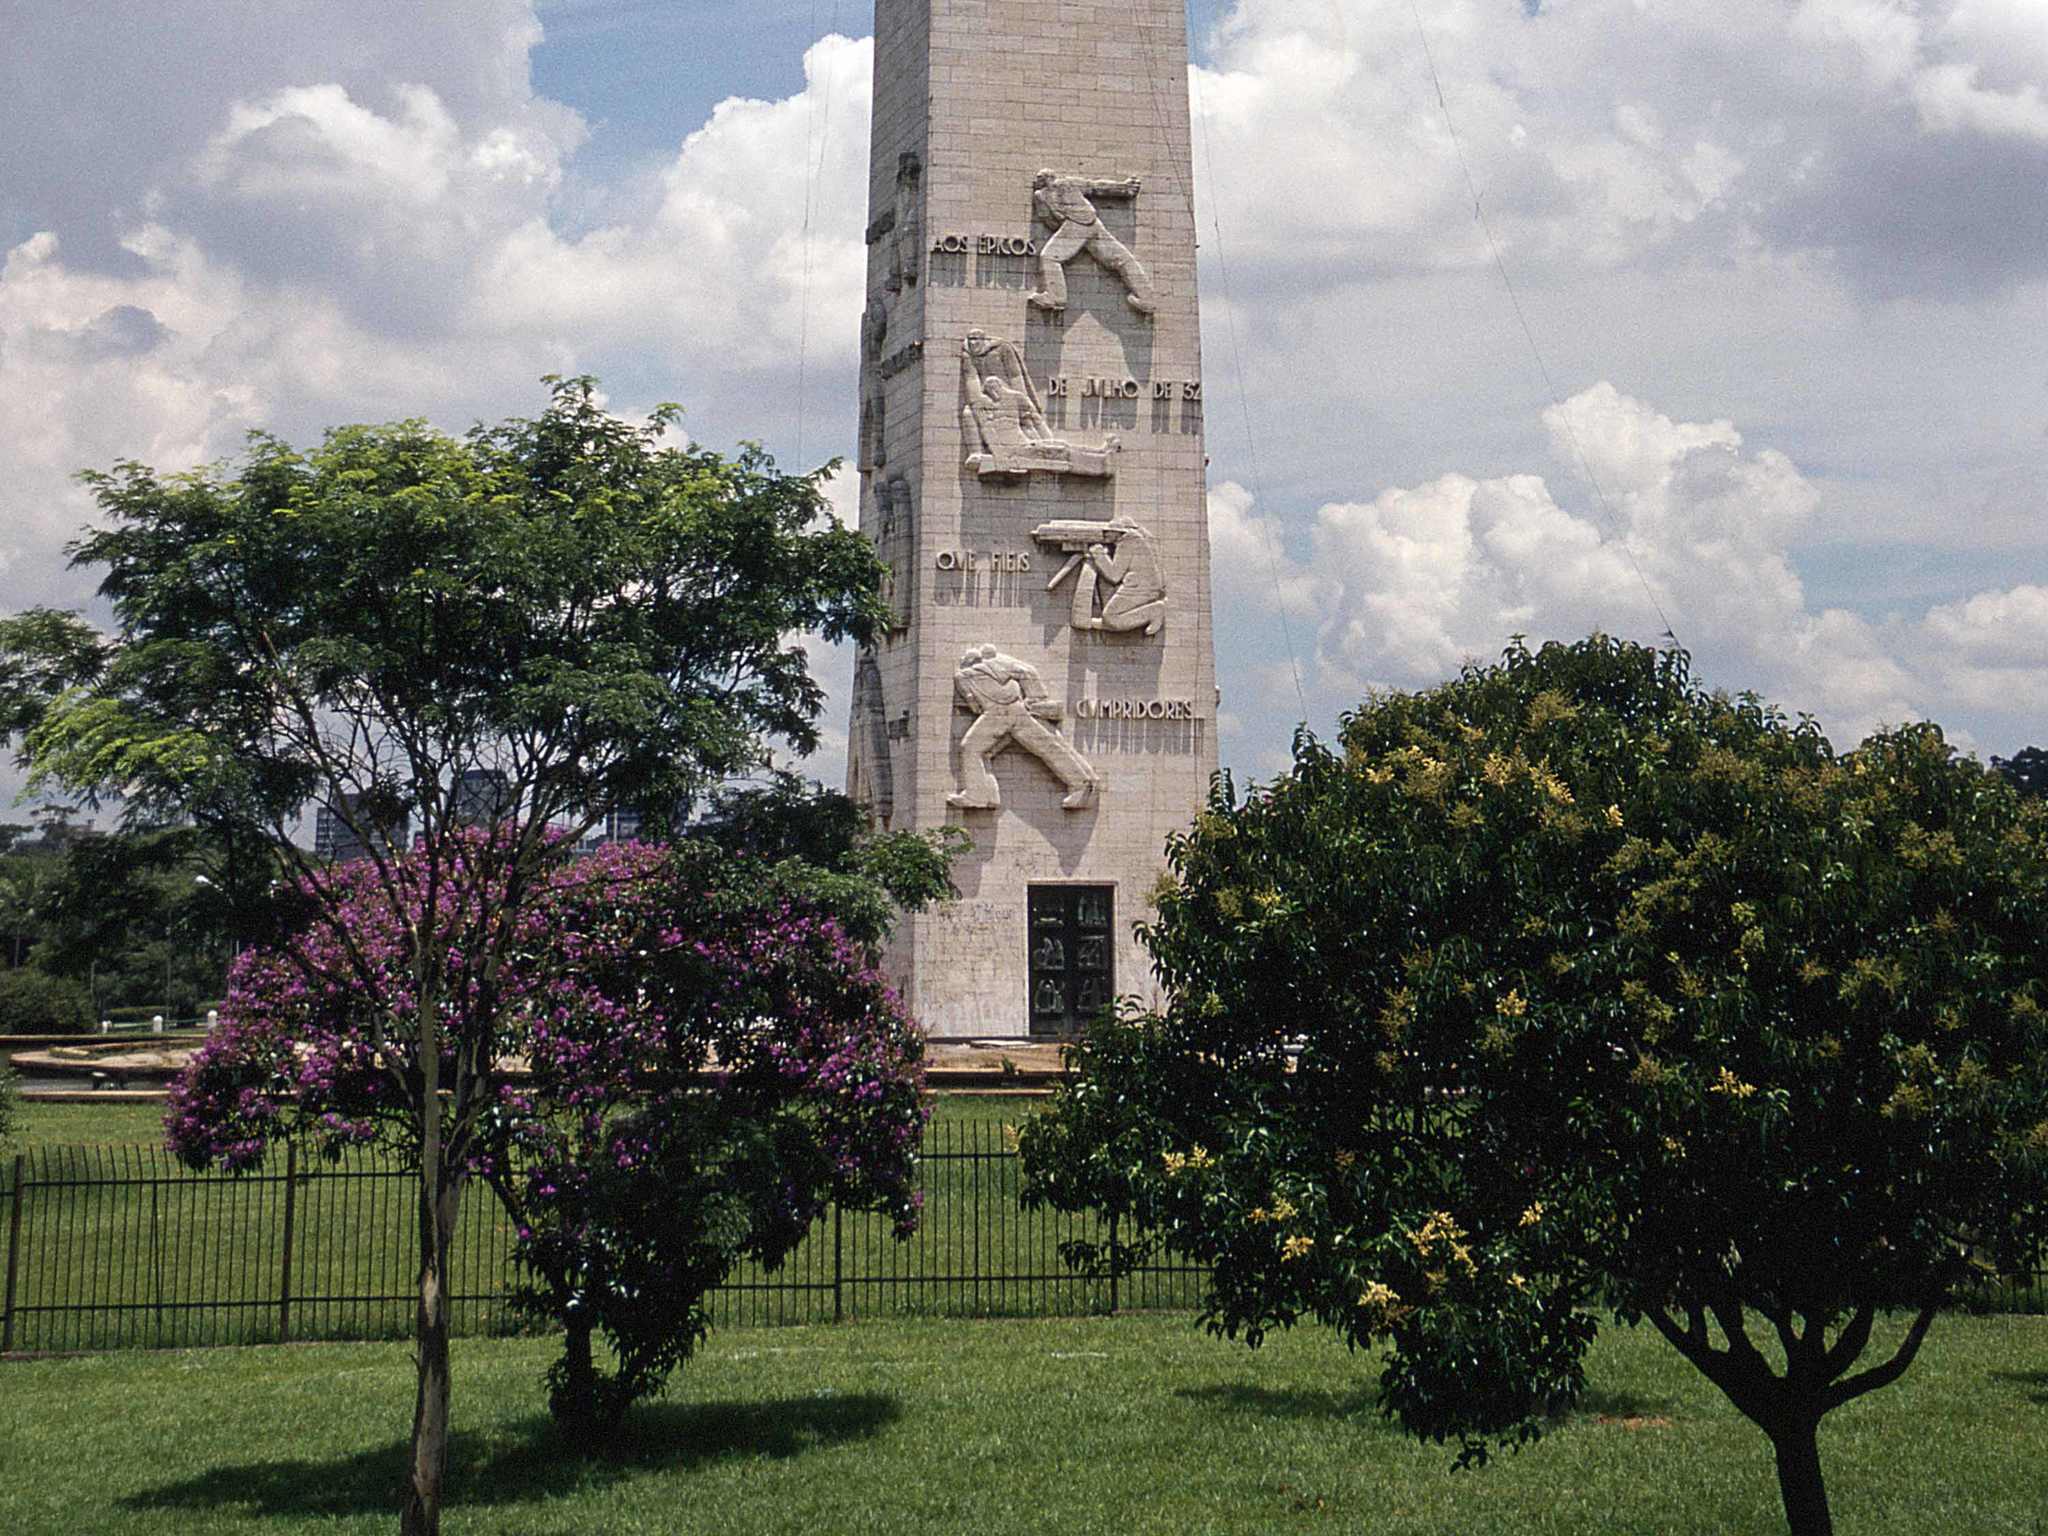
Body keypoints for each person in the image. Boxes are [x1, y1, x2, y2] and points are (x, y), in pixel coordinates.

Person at [947, 646, 1101, 810]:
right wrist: (1036, 698)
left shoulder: (970, 673)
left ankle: (979, 795)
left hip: (1000, 713)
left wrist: (1036, 699)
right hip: (1014, 710)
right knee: (1049, 747)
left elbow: (975, 705)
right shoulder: (996, 666)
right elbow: (1027, 671)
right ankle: (1080, 783)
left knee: (971, 748)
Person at [1028, 170, 1156, 317]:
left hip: (1078, 224)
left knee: (1049, 256)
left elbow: (1095, 187)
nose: (1045, 181)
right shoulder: (1046, 194)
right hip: (1089, 223)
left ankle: (1056, 297)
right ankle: (1146, 298)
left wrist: (1124, 188)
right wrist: (1124, 188)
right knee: (1119, 258)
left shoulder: (1061, 186)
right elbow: (1095, 187)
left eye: (1042, 178)